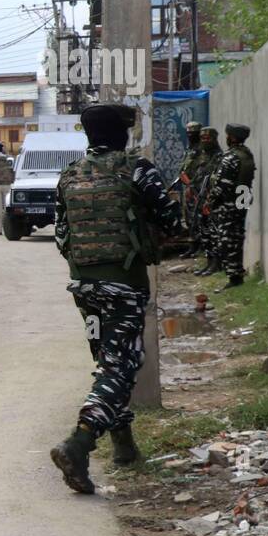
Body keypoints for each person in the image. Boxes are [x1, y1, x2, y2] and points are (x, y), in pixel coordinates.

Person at [50, 104, 182, 495]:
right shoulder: (137, 168)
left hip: (85, 287)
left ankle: (124, 448)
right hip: (123, 283)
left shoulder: (69, 175)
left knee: (107, 361)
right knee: (120, 368)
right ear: (122, 133)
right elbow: (171, 221)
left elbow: (61, 236)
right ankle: (80, 442)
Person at [207, 124, 256, 289]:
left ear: (232, 138)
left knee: (227, 240)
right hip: (242, 199)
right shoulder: (246, 154)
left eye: (228, 135)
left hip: (229, 203)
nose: (226, 138)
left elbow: (223, 184)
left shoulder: (230, 157)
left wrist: (210, 201)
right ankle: (237, 274)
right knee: (237, 236)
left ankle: (234, 277)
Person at [193, 127, 225, 277]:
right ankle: (209, 261)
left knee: (214, 233)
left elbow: (218, 181)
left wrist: (210, 200)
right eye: (203, 138)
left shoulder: (219, 157)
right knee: (204, 232)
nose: (205, 140)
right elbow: (197, 175)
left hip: (213, 201)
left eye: (208, 138)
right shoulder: (202, 156)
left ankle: (216, 263)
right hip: (200, 198)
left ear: (214, 138)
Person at [177, 122, 207, 257]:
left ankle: (200, 247)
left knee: (198, 217)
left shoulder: (202, 150)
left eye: (192, 134)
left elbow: (202, 170)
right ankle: (192, 246)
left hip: (197, 188)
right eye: (188, 133)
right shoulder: (190, 148)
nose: (190, 136)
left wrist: (191, 185)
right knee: (189, 218)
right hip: (188, 187)